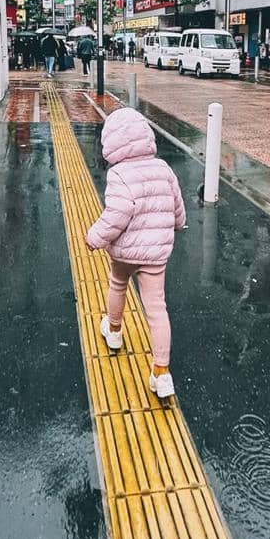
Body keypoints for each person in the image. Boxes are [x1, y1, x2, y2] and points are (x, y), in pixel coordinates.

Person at [86, 107, 187, 400]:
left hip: (125, 252)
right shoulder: (163, 168)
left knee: (118, 284)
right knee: (156, 308)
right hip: (156, 253)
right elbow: (176, 203)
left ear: (111, 143)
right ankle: (161, 372)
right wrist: (178, 224)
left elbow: (117, 215)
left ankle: (114, 331)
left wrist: (94, 237)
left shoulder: (118, 174)